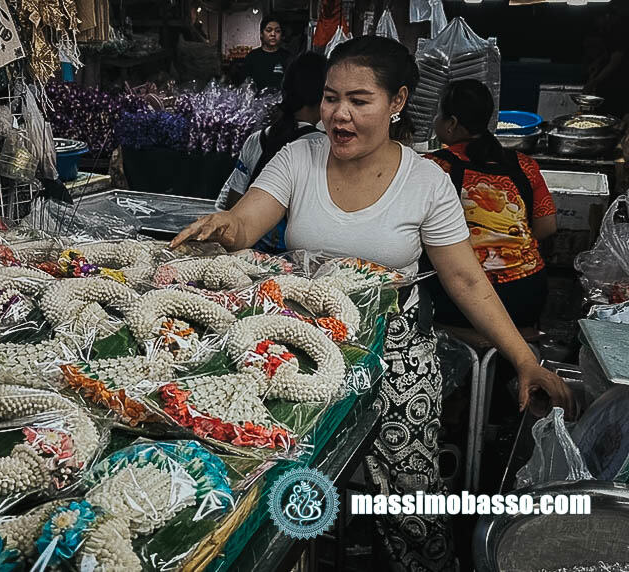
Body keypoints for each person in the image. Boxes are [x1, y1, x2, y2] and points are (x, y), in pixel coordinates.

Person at [171, 36, 573, 571]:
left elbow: (467, 281)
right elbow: (247, 222)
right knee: (270, 468)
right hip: (298, 338)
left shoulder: (426, 181)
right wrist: (225, 227)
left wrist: (524, 360)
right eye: (332, 98)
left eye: (360, 101)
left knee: (410, 490)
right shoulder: (299, 157)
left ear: (398, 102)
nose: (340, 114)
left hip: (393, 349)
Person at [426, 79, 557, 329]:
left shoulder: (433, 167)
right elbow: (547, 226)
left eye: (438, 115)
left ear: (451, 123)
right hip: (527, 294)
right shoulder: (524, 164)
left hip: (464, 300)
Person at [216, 52, 327, 252]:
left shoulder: (256, 139)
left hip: (247, 254)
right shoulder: (319, 148)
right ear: (323, 96)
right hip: (290, 264)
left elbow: (233, 202)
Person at [243, 16, 291, 92]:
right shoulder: (252, 57)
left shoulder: (288, 58)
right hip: (256, 102)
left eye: (277, 31)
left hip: (281, 102)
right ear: (261, 34)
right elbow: (245, 85)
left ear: (281, 35)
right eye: (269, 30)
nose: (273, 34)